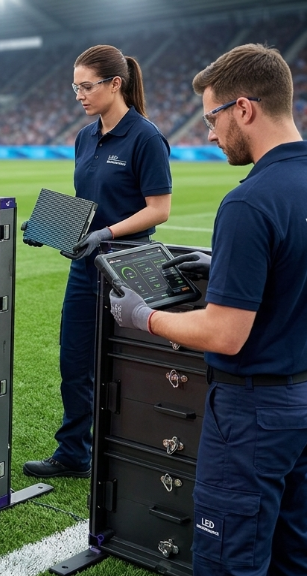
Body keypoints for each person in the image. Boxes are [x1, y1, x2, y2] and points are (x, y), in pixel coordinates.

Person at [111, 44, 307, 576]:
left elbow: (225, 334)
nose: (209, 134)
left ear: (244, 108)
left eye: (212, 118)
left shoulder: (249, 201)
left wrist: (142, 318)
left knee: (230, 563)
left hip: (254, 415)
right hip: (301, 402)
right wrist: (224, 261)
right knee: (294, 555)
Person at [22, 45, 172, 479]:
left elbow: (158, 209)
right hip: (85, 269)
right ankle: (74, 455)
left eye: (86, 87)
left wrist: (106, 234)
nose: (80, 96)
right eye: (75, 88)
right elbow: (88, 206)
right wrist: (49, 225)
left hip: (129, 267)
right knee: (75, 363)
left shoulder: (145, 137)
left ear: (115, 84)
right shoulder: (84, 137)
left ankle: (138, 453)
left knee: (129, 368)